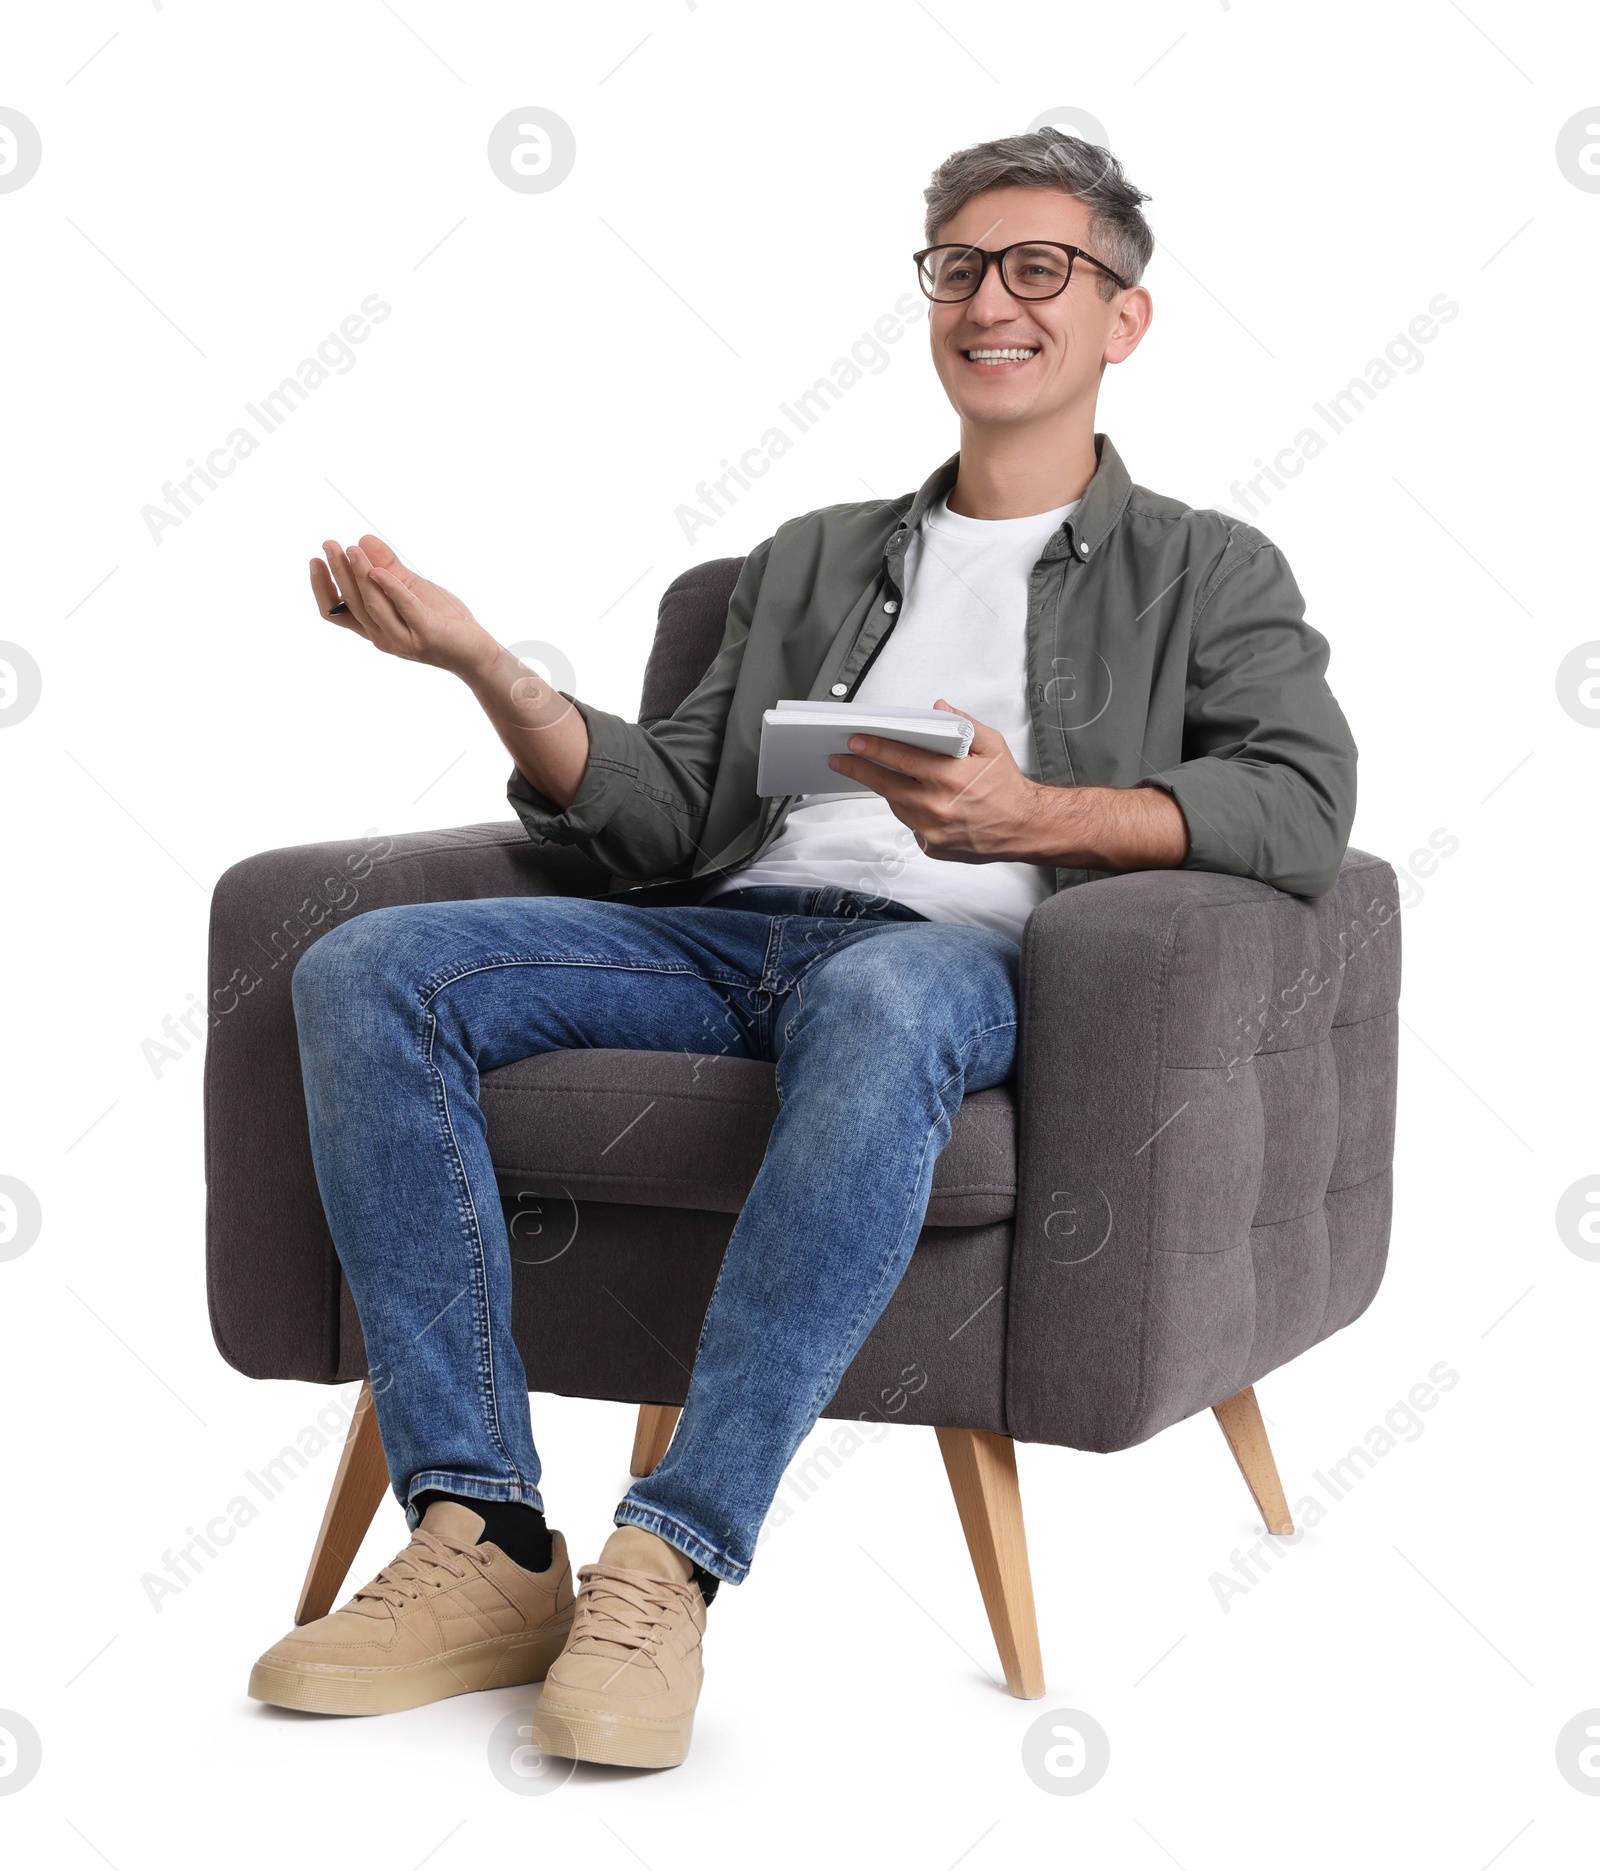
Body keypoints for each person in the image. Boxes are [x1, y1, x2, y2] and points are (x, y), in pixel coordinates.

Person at [247, 129, 1357, 1768]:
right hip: (726, 936)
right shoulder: (816, 557)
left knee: (889, 989)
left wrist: (1035, 815)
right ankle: (483, 1538)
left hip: (954, 963)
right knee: (368, 967)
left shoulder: (1207, 568)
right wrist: (489, 665)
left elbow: (1302, 801)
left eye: (1040, 266)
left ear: (1124, 317)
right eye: (961, 266)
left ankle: (672, 1558)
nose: (993, 298)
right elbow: (658, 813)